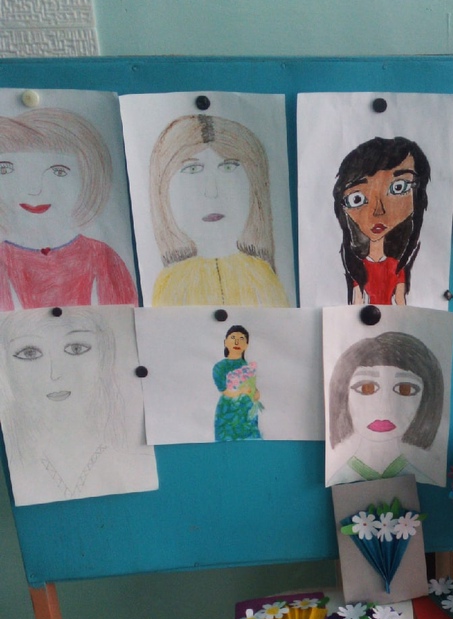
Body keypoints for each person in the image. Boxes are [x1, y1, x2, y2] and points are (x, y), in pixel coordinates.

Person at [0, 307, 156, 505]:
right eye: (29, 353)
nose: (55, 374)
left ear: (104, 356)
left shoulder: (135, 464)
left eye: (76, 349)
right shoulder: (16, 470)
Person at [0, 108, 138, 310]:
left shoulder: (102, 257)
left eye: (58, 172)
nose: (34, 190)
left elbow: (125, 322)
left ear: (89, 177)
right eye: (6, 169)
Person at [149, 114, 289, 307]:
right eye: (193, 169)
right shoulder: (170, 286)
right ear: (162, 186)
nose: (212, 191)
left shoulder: (264, 279)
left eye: (228, 167)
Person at [328, 331, 443, 483]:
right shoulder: (336, 480)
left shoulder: (425, 480)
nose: (384, 407)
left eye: (405, 389)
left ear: (426, 399)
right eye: (366, 388)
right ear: (343, 395)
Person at [333, 136, 430, 306]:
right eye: (357, 198)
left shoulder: (396, 267)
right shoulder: (358, 269)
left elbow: (400, 302)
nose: (378, 211)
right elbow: (357, 303)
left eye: (398, 187)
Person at [212, 324, 263, 441]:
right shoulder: (220, 366)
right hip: (229, 411)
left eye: (241, 339)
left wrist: (255, 393)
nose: (237, 342)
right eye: (233, 338)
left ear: (246, 345)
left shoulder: (247, 365)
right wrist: (242, 391)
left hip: (247, 410)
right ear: (225, 342)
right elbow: (224, 390)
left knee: (251, 442)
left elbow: (252, 387)